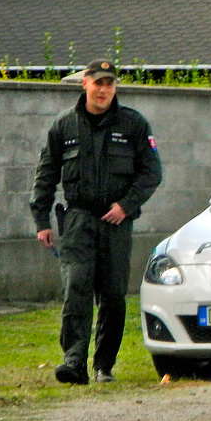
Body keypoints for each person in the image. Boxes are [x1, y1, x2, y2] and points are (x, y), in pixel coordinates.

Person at [30, 59, 163, 384]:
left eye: (109, 83)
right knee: (76, 288)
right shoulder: (64, 125)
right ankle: (73, 362)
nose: (103, 90)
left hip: (116, 222)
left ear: (114, 87)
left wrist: (126, 206)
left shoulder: (133, 124)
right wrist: (41, 220)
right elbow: (46, 175)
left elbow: (152, 172)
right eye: (98, 83)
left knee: (113, 295)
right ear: (85, 84)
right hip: (77, 220)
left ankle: (104, 366)